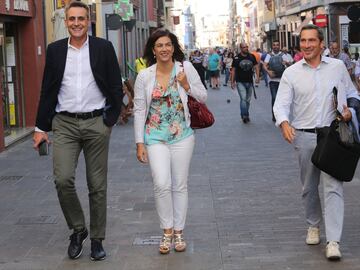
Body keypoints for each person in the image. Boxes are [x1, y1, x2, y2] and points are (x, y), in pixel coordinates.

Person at [32, 0, 123, 261]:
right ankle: (78, 229)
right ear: (66, 21)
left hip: (97, 123)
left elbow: (116, 87)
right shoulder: (55, 50)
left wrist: (110, 119)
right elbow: (48, 90)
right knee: (62, 179)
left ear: (89, 20)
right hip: (64, 123)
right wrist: (40, 127)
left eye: (81, 19)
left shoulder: (104, 48)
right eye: (71, 19)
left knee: (97, 186)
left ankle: (97, 239)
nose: (76, 23)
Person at [273, 24, 358, 261]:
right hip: (305, 136)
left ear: (321, 44)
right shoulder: (292, 73)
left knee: (333, 188)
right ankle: (313, 225)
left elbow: (352, 94)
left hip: (333, 136)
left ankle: (333, 241)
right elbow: (280, 104)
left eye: (312, 40)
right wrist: (284, 123)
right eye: (303, 41)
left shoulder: (338, 67)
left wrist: (350, 110)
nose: (307, 45)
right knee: (309, 187)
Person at [133, 29, 207, 255]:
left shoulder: (186, 69)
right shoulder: (145, 76)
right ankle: (166, 231)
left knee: (180, 184)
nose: (164, 49)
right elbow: (139, 109)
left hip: (182, 136)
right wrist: (139, 143)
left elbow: (203, 96)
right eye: (159, 46)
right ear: (153, 51)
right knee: (162, 184)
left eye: (168, 45)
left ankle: (179, 232)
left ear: (173, 47)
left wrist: (186, 85)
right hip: (154, 137)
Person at [231, 42, 260, 123]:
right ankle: (245, 115)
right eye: (244, 47)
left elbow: (256, 67)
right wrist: (232, 82)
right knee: (243, 99)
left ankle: (245, 114)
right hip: (240, 81)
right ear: (241, 48)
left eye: (247, 47)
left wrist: (257, 77)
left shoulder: (251, 56)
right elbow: (233, 70)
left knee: (247, 100)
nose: (246, 48)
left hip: (250, 81)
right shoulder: (236, 58)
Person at [263, 40, 291, 122]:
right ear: (272, 46)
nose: (275, 46)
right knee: (274, 98)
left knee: (282, 99)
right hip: (272, 80)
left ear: (279, 46)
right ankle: (274, 115)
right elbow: (264, 65)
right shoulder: (269, 55)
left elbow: (290, 65)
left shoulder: (283, 55)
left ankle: (282, 115)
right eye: (274, 45)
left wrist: (286, 63)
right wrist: (268, 72)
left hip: (282, 81)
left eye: (277, 45)